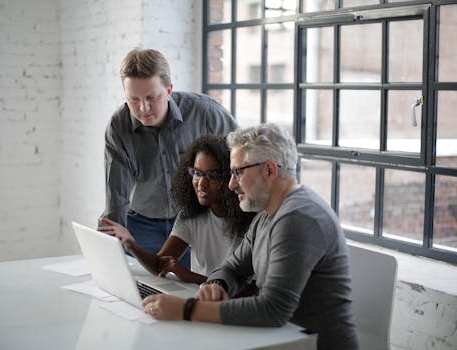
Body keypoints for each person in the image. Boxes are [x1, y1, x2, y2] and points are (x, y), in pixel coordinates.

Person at [140, 123, 359, 350]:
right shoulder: (268, 214)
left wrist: (185, 309)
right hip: (278, 341)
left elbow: (272, 310)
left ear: (270, 170)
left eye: (238, 172)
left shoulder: (298, 218)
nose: (232, 184)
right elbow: (233, 268)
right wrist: (217, 284)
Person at [100, 48, 238, 264]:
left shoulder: (206, 114)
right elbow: (116, 194)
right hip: (142, 223)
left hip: (195, 220)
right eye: (133, 99)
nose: (143, 108)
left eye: (151, 97)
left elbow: (241, 161)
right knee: (142, 288)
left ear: (169, 90)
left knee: (190, 288)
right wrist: (110, 246)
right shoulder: (119, 125)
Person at [98, 134, 255, 284]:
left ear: (231, 177)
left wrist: (188, 276)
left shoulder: (251, 220)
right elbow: (161, 264)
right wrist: (131, 244)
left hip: (233, 305)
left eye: (212, 176)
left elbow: (250, 290)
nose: (201, 184)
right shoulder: (191, 214)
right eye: (197, 173)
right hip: (197, 297)